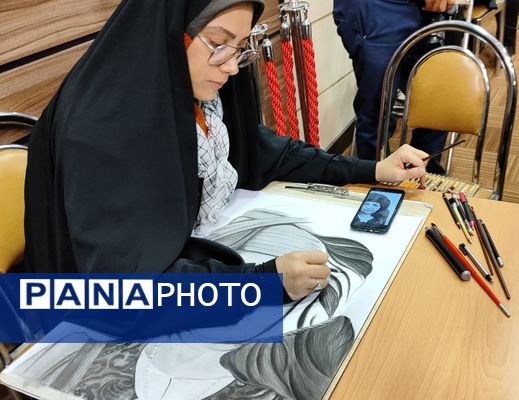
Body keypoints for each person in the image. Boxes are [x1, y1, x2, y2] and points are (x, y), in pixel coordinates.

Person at [23, 0, 429, 303]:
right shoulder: (103, 131)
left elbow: (265, 152)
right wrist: (262, 285)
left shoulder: (192, 92)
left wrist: (371, 169)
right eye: (218, 44)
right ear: (168, 33)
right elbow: (123, 289)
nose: (232, 66)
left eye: (239, 47)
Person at [332, 0, 454, 172]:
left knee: (438, 99)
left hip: (420, 10)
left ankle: (422, 174)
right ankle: (377, 180)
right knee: (378, 112)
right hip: (378, 7)